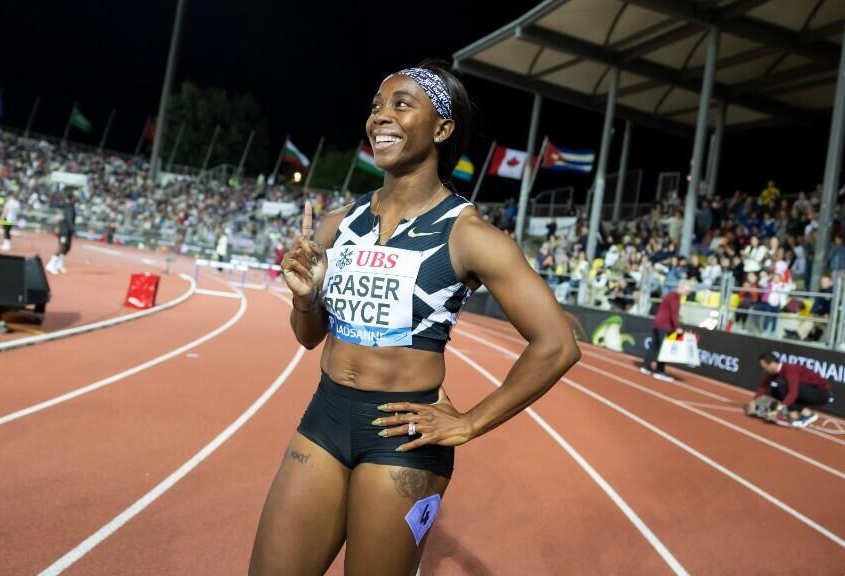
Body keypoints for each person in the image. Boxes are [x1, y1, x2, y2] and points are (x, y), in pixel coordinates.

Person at [250, 62, 581, 576]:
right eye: (376, 107)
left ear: (442, 129)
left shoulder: (470, 236)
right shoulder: (339, 224)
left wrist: (470, 422)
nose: (380, 117)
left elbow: (557, 344)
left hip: (403, 437)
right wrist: (306, 300)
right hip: (326, 416)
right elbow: (308, 338)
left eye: (401, 105)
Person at [749, 352, 832, 428]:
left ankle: (808, 414)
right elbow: (764, 385)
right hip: (809, 391)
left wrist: (777, 411)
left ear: (772, 364)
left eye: (765, 368)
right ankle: (795, 413)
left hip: (822, 393)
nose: (764, 371)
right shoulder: (777, 372)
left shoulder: (790, 369)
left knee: (783, 386)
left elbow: (793, 393)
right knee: (775, 389)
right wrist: (754, 401)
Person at [641, 280, 692, 382]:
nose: (688, 292)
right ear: (683, 287)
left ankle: (646, 366)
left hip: (658, 323)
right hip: (665, 325)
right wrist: (678, 327)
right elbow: (674, 313)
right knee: (664, 349)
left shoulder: (670, 295)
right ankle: (659, 371)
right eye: (688, 290)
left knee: (654, 346)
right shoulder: (675, 297)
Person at [46, 191, 76, 275]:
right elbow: (69, 219)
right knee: (61, 246)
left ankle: (59, 264)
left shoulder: (70, 206)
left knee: (67, 247)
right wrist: (73, 229)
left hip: (67, 230)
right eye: (74, 197)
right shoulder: (69, 207)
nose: (76, 199)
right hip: (64, 230)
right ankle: (51, 264)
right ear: (71, 198)